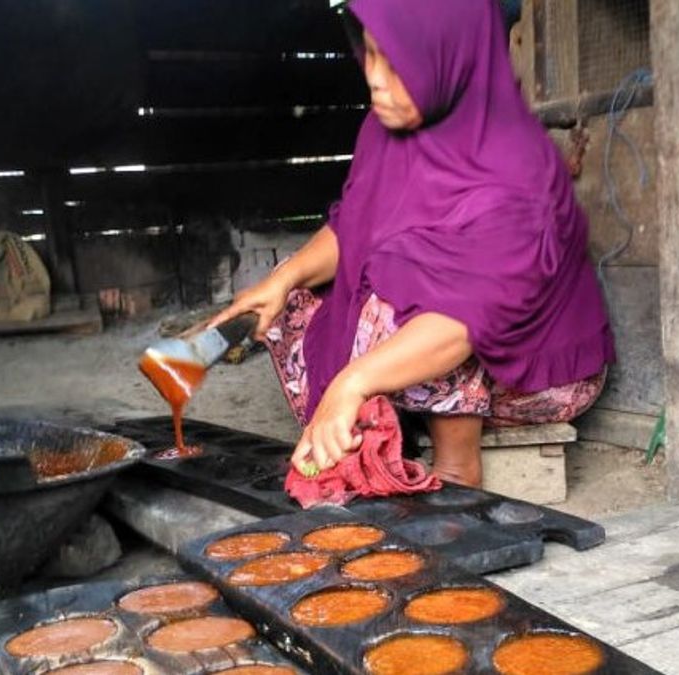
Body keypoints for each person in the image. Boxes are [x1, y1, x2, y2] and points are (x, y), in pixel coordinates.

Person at [209, 0, 614, 488]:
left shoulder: (516, 170)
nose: (375, 79)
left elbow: (463, 323)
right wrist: (283, 278)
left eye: (395, 61)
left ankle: (455, 469)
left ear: (448, 55)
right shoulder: (387, 130)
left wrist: (350, 383)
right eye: (371, 55)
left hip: (537, 370)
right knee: (296, 306)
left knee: (392, 307)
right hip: (456, 330)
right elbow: (355, 226)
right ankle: (380, 432)